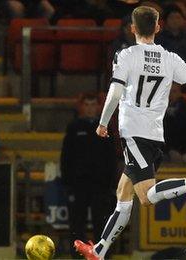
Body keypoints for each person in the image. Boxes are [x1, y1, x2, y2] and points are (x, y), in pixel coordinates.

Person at [73, 6, 186, 260]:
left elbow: (115, 91)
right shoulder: (171, 59)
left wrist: (103, 122)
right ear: (158, 28)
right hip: (154, 134)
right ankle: (100, 250)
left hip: (134, 133)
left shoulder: (126, 55)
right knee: (123, 193)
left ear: (132, 29)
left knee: (147, 196)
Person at [60, 93, 117, 259]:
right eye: (87, 105)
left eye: (93, 105)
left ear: (99, 107)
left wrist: (111, 183)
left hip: (101, 184)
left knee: (103, 222)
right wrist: (68, 183)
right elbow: (66, 157)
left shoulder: (106, 127)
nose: (91, 108)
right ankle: (77, 255)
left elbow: (111, 158)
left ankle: (102, 255)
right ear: (82, 107)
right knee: (77, 222)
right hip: (79, 184)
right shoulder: (74, 127)